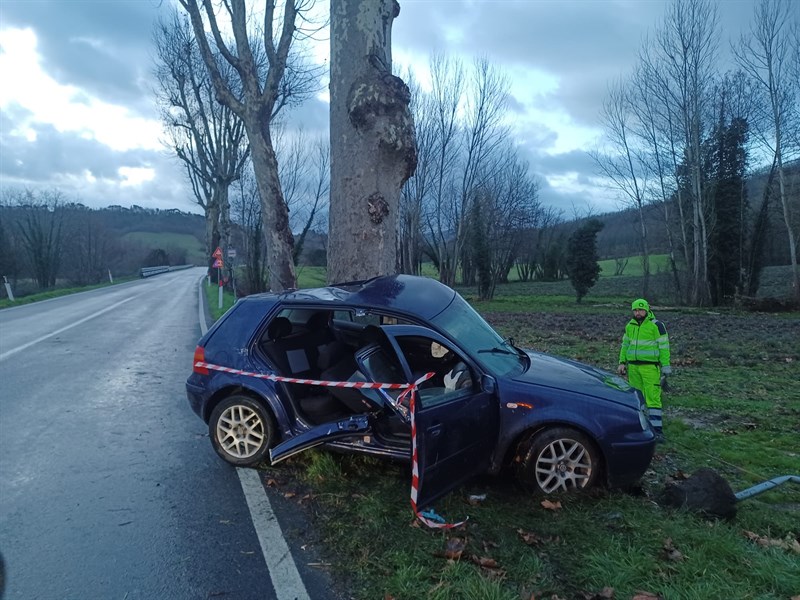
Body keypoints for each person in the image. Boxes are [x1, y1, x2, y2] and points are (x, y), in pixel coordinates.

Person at [617, 298, 671, 440]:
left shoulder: (657, 326)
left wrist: (665, 366)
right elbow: (625, 345)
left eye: (640, 310)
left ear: (647, 310)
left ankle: (657, 431)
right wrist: (622, 362)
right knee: (637, 399)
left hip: (650, 368)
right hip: (634, 368)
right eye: (635, 310)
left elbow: (664, 348)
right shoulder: (630, 325)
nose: (638, 312)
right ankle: (641, 427)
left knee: (653, 399)